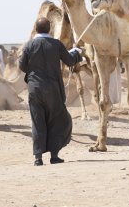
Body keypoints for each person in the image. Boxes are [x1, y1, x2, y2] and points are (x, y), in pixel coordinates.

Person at [19, 17, 82, 166]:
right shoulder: (56, 44)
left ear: (36, 28)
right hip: (53, 90)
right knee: (58, 120)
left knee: (37, 121)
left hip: (35, 89)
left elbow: (22, 66)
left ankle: (38, 158)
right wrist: (76, 52)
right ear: (50, 29)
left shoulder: (28, 46)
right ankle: (54, 156)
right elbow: (71, 61)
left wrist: (33, 72)